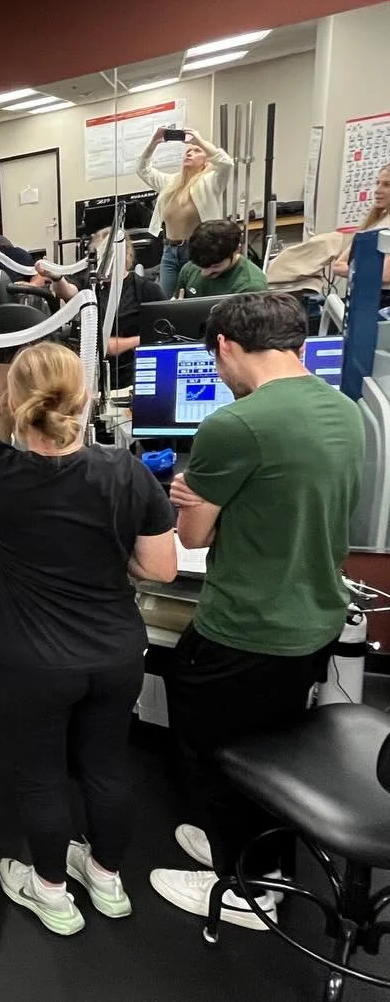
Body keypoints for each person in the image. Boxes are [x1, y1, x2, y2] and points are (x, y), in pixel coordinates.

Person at [151, 292, 363, 932]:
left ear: (224, 347)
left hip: (247, 626)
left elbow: (192, 539)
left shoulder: (234, 426)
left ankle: (249, 887)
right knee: (270, 747)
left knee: (214, 749)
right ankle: (244, 849)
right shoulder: (346, 409)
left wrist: (189, 499)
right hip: (312, 619)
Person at [0, 336, 176, 936]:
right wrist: (113, 557)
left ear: (17, 402)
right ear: (82, 400)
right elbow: (160, 569)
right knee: (107, 765)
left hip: (30, 662)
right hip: (114, 655)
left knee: (41, 774)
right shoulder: (127, 472)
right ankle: (106, 878)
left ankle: (51, 891)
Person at [137, 126, 233, 293]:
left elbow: (226, 162)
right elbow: (142, 169)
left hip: (197, 252)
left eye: (197, 151)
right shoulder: (171, 183)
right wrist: (154, 143)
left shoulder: (210, 182)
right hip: (169, 252)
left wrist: (199, 140)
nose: (189, 153)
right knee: (166, 302)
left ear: (207, 160)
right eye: (188, 151)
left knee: (195, 299)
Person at [83, 228, 166, 391]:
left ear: (123, 255)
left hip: (132, 373)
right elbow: (70, 292)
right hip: (94, 374)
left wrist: (130, 342)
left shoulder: (146, 289)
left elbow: (165, 332)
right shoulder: (90, 285)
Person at [174, 219, 267, 298]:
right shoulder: (190, 268)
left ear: (236, 250)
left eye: (215, 266)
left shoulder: (251, 287)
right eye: (200, 266)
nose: (204, 273)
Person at [332, 163, 390, 287]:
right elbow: (338, 265)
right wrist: (365, 271)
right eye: (377, 183)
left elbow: (385, 274)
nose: (378, 190)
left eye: (387, 185)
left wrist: (355, 270)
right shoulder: (378, 223)